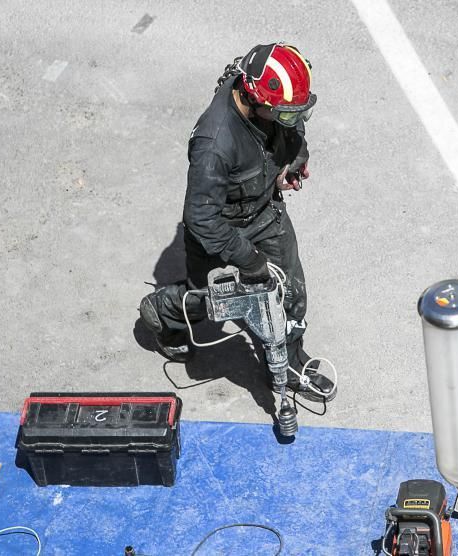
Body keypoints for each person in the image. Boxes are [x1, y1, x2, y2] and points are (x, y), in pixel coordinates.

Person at [139, 43, 335, 402]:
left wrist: (291, 163)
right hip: (222, 229)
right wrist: (249, 260)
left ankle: (288, 362)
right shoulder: (215, 144)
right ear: (254, 98)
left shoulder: (263, 98)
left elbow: (289, 131)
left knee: (289, 291)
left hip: (264, 213)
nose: (292, 120)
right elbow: (200, 217)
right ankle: (162, 311)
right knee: (208, 303)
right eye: (285, 114)